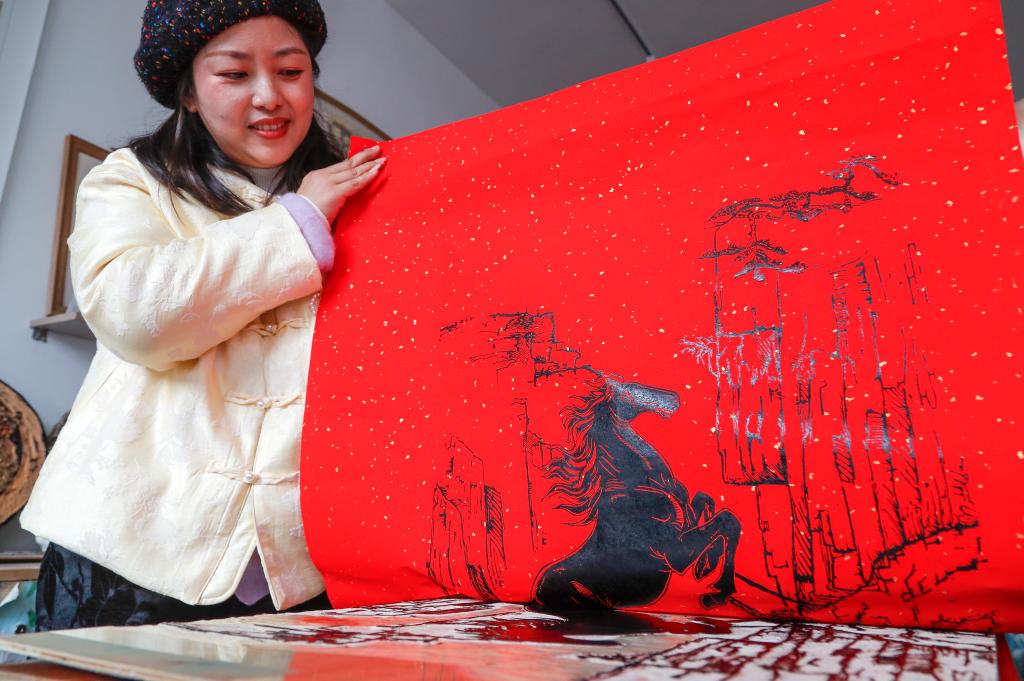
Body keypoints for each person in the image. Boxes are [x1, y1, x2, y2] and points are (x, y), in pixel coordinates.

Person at [21, 0, 383, 631]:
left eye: (291, 71)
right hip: (130, 550)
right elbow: (134, 314)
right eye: (235, 74)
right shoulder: (131, 181)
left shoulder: (364, 199)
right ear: (188, 92)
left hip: (303, 567)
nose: (269, 96)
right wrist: (298, 221)